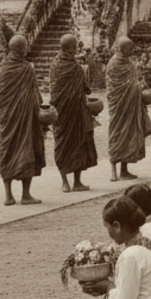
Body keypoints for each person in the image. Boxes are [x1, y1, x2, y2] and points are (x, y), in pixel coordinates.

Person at [0, 34, 44, 206]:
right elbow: (35, 94)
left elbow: (1, 97)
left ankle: (8, 195)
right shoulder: (27, 68)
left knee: (8, 150)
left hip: (8, 118)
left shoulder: (3, 68)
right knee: (27, 149)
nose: (27, 49)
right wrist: (40, 108)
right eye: (25, 46)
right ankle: (25, 194)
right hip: (24, 117)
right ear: (21, 49)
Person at [49, 33, 97, 192]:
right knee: (68, 144)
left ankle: (73, 182)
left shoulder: (56, 65)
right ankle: (68, 181)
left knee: (76, 144)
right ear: (70, 49)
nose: (75, 50)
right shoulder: (72, 67)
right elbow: (86, 89)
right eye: (74, 48)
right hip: (66, 112)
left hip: (74, 111)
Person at [105, 37, 151, 178]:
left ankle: (124, 170)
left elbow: (135, 81)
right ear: (122, 49)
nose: (133, 51)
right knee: (117, 134)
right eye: (130, 49)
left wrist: (141, 86)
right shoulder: (113, 64)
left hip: (130, 106)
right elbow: (114, 87)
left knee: (129, 135)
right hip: (119, 107)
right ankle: (113, 169)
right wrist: (138, 87)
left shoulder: (129, 64)